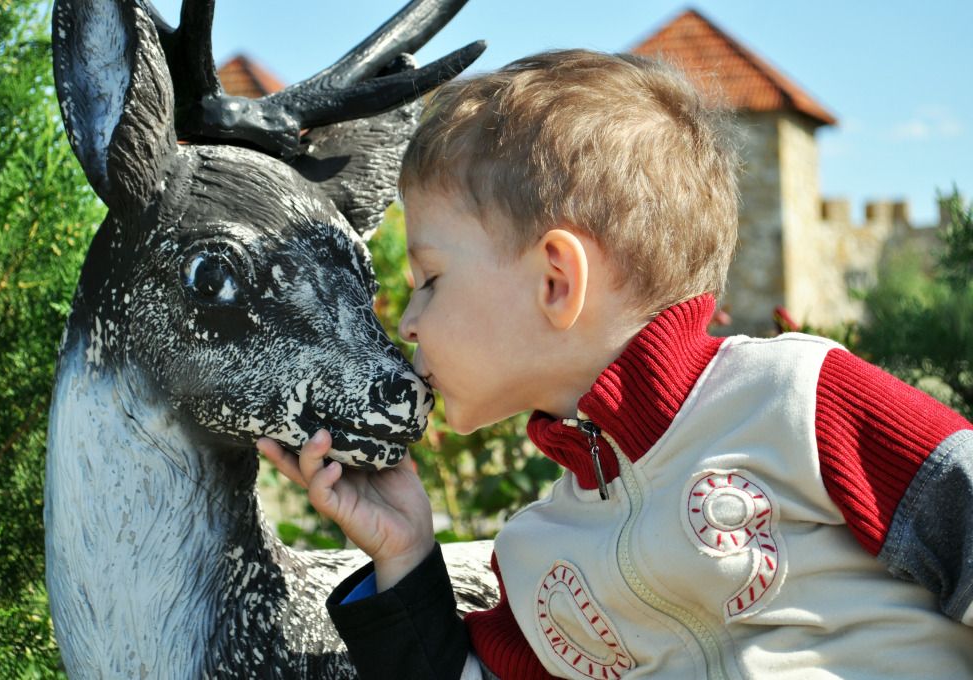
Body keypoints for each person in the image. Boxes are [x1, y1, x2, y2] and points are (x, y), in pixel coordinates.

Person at [257, 49, 973, 679]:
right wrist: (405, 552)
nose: (408, 322)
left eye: (430, 280)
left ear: (556, 282)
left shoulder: (794, 403)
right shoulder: (540, 557)